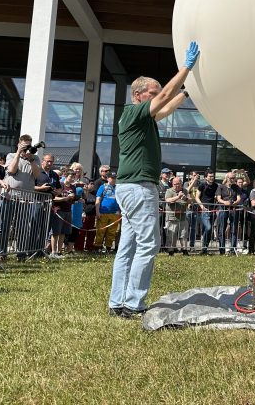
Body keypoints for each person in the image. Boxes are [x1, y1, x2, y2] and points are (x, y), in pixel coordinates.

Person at [108, 41, 199, 319]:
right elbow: (165, 97)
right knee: (148, 244)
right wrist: (187, 67)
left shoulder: (141, 118)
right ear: (138, 95)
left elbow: (166, 107)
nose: (158, 96)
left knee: (129, 246)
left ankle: (118, 302)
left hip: (129, 186)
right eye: (153, 92)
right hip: (138, 187)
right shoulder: (134, 111)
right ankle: (134, 303)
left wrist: (186, 92)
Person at [0, 135, 42, 259]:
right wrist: (18, 153)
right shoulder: (11, 155)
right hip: (8, 197)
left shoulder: (35, 158)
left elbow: (37, 175)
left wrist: (31, 159)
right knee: (4, 226)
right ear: (19, 144)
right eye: (25, 145)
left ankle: (21, 254)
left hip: (26, 199)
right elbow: (11, 170)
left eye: (29, 145)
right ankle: (1, 253)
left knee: (23, 227)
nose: (27, 148)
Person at [94, 172, 121, 253]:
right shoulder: (103, 187)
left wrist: (119, 211)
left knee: (112, 232)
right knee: (100, 231)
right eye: (112, 178)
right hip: (103, 212)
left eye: (115, 178)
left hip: (115, 213)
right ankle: (98, 247)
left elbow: (120, 201)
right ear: (108, 178)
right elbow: (98, 199)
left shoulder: (118, 188)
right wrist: (97, 212)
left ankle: (108, 248)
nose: (114, 179)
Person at [215, 171, 240, 255]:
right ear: (227, 178)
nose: (233, 180)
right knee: (222, 229)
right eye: (231, 178)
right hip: (223, 208)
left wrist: (234, 203)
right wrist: (225, 203)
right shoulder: (221, 187)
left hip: (233, 209)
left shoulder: (236, 187)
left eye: (234, 178)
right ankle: (222, 249)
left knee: (234, 229)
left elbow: (239, 198)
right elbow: (218, 198)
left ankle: (233, 249)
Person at [164, 176, 189, 255]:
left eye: (178, 184)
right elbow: (167, 200)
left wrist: (186, 199)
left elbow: (191, 202)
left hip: (183, 216)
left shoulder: (185, 190)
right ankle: (171, 251)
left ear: (181, 183)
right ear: (172, 184)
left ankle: (185, 251)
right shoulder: (169, 191)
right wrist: (178, 197)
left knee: (184, 234)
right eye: (175, 184)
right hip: (172, 217)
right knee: (171, 235)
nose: (177, 185)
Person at [195, 169, 218, 255]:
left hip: (212, 210)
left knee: (208, 230)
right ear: (206, 177)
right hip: (204, 210)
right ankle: (204, 248)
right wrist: (201, 206)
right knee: (208, 228)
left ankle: (204, 249)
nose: (212, 178)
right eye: (210, 176)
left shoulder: (216, 186)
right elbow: (197, 197)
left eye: (213, 176)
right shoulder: (202, 185)